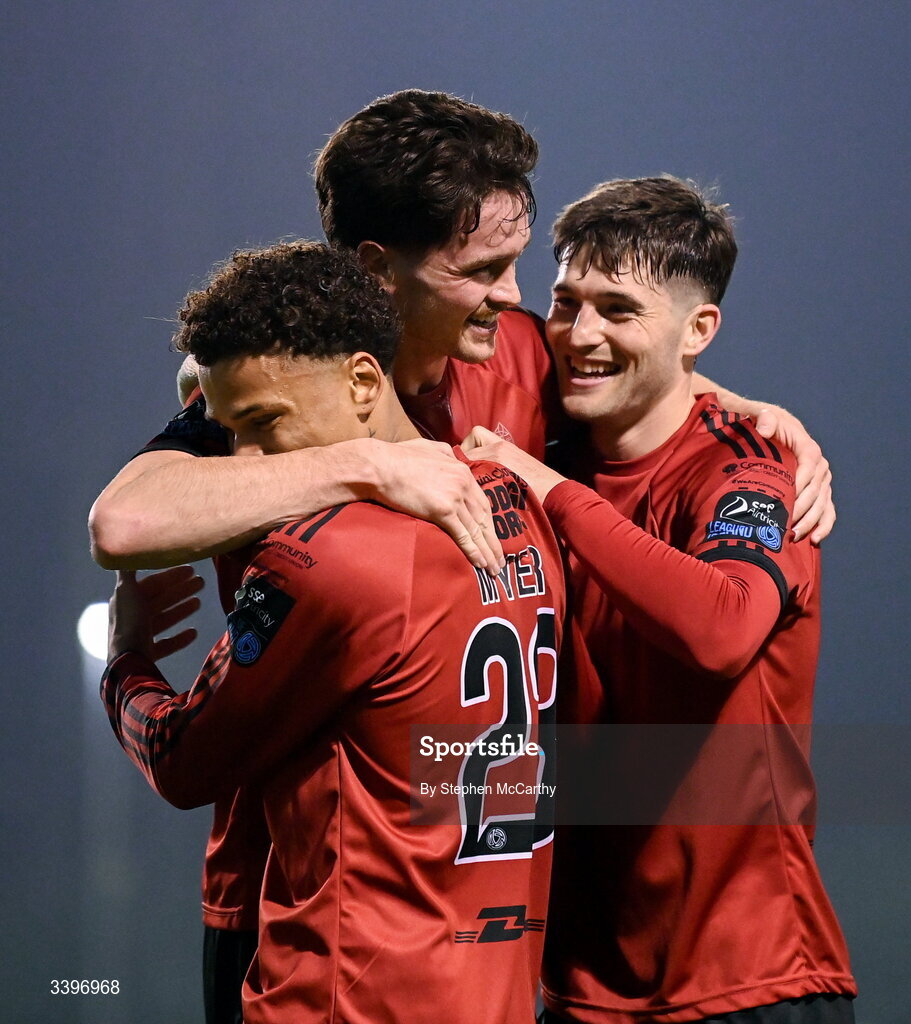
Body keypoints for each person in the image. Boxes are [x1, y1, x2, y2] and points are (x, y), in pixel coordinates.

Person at [88, 91, 835, 1021]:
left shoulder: (516, 360)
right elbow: (121, 525)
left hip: (499, 924)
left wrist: (753, 416)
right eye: (483, 267)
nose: (517, 294)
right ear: (378, 270)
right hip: (296, 901)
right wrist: (364, 463)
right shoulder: (269, 388)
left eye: (519, 263)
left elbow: (644, 361)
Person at [102, 240, 567, 1024]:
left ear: (362, 380)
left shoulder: (324, 558)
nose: (242, 459)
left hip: (345, 998)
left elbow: (183, 760)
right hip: (497, 994)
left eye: (261, 424)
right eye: (226, 431)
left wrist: (127, 664)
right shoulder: (516, 500)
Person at [465, 176, 856, 1024]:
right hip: (578, 988)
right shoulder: (551, 447)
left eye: (619, 309)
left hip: (748, 985)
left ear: (699, 331)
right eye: (567, 303)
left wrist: (552, 494)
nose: (581, 335)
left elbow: (722, 629)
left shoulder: (745, 465)